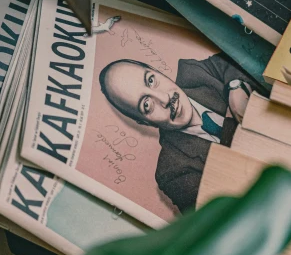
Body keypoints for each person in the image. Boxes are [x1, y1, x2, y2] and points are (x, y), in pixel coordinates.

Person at [99, 54, 254, 213]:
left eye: (151, 80)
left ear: (156, 71)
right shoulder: (172, 172)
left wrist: (236, 86)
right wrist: (231, 123)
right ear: (145, 122)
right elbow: (223, 216)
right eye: (147, 104)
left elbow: (238, 62)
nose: (164, 98)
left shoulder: (194, 71)